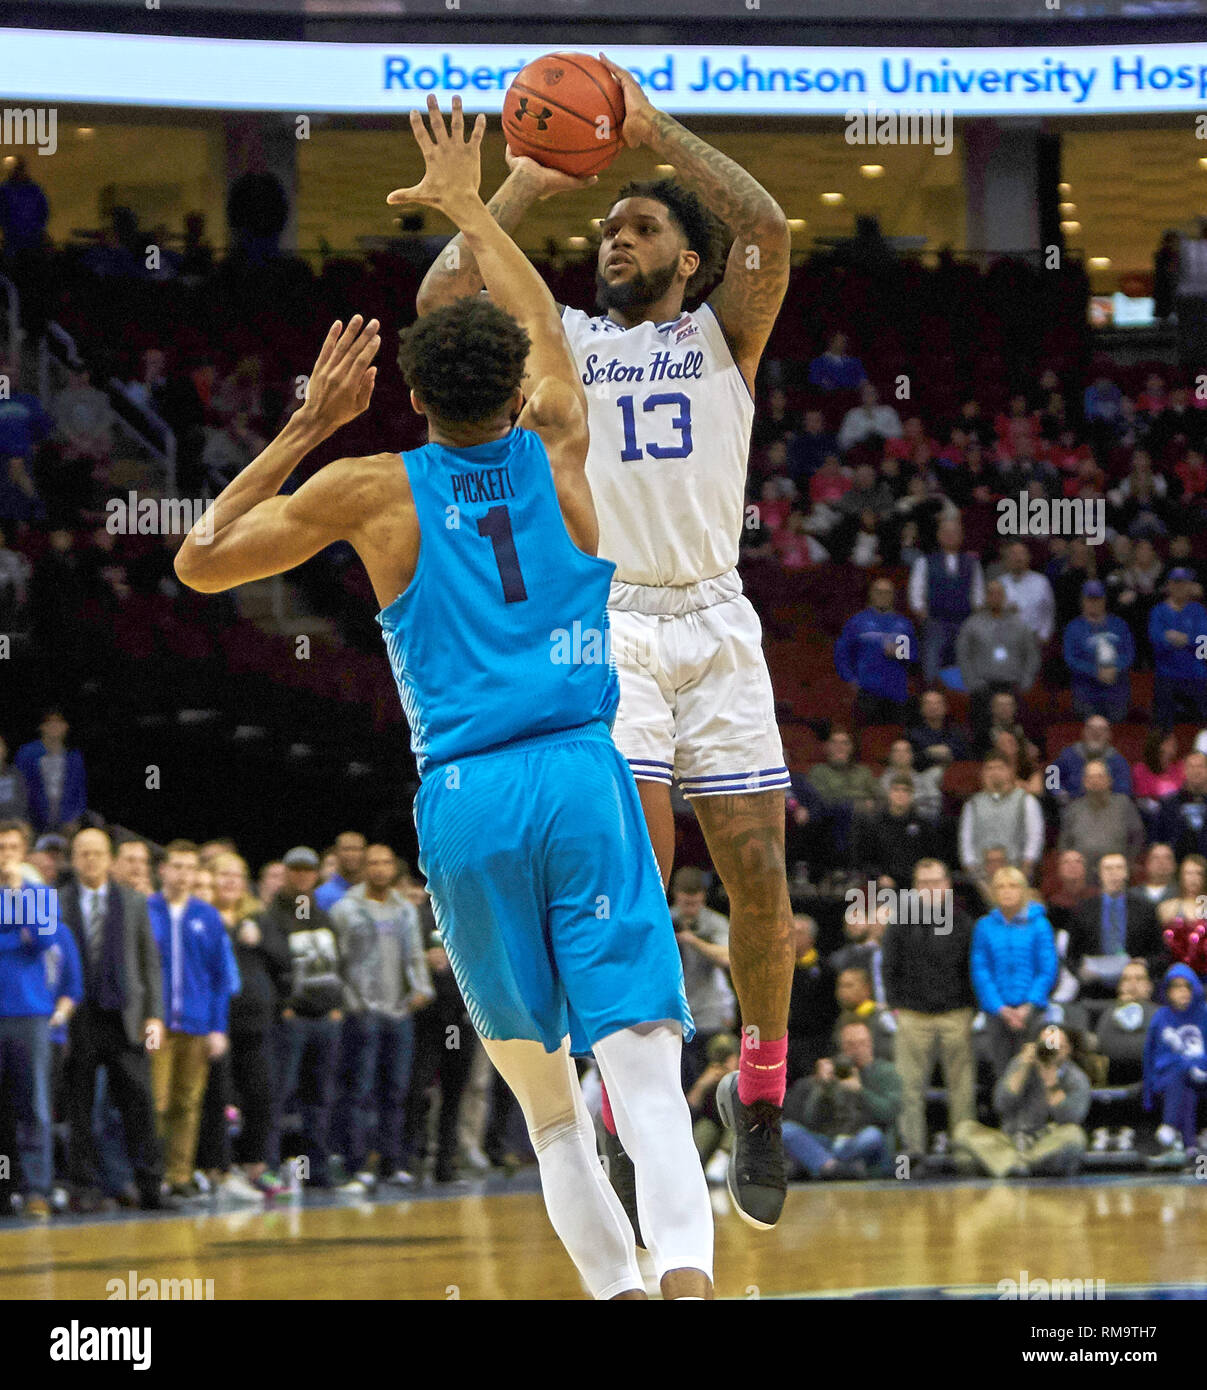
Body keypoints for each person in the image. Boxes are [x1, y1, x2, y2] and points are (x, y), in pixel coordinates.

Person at [175, 96, 713, 1298]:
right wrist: (476, 202)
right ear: (521, 387)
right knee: (639, 1061)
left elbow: (199, 559)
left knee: (552, 1110)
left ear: (412, 402)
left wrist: (306, 424)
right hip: (584, 767)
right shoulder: (563, 432)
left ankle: (620, 1292)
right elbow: (542, 328)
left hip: (467, 799)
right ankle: (683, 1279)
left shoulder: (370, 487)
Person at [414, 62, 797, 1233]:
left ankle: (762, 1092)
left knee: (762, 884)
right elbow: (440, 303)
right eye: (610, 225)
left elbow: (769, 229)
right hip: (610, 624)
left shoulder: (727, 332)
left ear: (688, 260)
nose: (615, 239)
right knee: (641, 875)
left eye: (640, 226)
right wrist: (524, 179)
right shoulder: (560, 340)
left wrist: (649, 132)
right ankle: (643, 1110)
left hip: (717, 617)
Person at [59, 828, 173, 1211]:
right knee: (81, 1108)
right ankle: (85, 1189)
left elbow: (150, 963)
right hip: (80, 1019)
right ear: (73, 859)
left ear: (110, 859)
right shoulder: (58, 902)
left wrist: (155, 1015)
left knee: (140, 1105)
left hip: (126, 1019)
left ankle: (151, 1187)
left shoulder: (133, 901)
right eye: (83, 853)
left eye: (97, 853)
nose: (90, 860)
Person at [328, 843, 435, 1191]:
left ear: (393, 868)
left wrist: (422, 988)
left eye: (385, 862)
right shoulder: (346, 909)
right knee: (359, 1090)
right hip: (362, 1011)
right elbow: (336, 961)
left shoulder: (404, 909)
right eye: (372, 863)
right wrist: (349, 1001)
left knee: (397, 1090)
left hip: (399, 1010)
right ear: (364, 868)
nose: (379, 868)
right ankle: (357, 1164)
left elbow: (415, 953)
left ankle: (393, 1163)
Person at [146, 840, 240, 1200]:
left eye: (190, 868)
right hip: (158, 1025)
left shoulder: (206, 916)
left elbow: (220, 978)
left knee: (188, 1102)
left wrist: (218, 1027)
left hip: (198, 1025)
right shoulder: (146, 910)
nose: (183, 875)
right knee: (156, 1101)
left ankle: (179, 1175)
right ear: (163, 870)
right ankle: (152, 1174)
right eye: (177, 867)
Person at [0, 844, 80, 1218]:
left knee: (34, 1104)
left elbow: (46, 940)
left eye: (11, 848)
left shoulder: (41, 896)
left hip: (29, 1012)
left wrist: (16, 897)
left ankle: (37, 1189)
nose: (4, 855)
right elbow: (26, 941)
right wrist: (19, 939)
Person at [882, 858, 976, 1160]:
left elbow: (971, 969)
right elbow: (889, 967)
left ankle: (964, 1151)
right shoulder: (900, 924)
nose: (930, 889)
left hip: (956, 1014)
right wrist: (897, 1005)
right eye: (923, 884)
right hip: (912, 1015)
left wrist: (971, 1009)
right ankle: (911, 1152)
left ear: (947, 886)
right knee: (908, 1088)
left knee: (962, 1088)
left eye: (936, 883)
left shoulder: (964, 923)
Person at [953, 1025, 1090, 1177]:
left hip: (1046, 1143)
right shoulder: (1020, 1064)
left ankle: (1015, 1165)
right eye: (1045, 1045)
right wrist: (1023, 1068)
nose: (1049, 1050)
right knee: (963, 1129)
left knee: (1075, 1136)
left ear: (1067, 1050)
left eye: (1056, 1045)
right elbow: (1000, 1105)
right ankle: (1018, 1165)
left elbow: (1072, 1118)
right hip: (1009, 1140)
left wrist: (1051, 1085)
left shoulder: (1076, 1078)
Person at [781, 1020, 902, 1179]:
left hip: (861, 1141)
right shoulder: (831, 1074)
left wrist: (861, 1091)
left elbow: (889, 1113)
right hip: (831, 1141)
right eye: (850, 1045)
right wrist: (822, 1088)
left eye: (862, 1044)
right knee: (786, 1130)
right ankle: (832, 1167)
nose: (857, 1050)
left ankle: (822, 1164)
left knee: (872, 1136)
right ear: (841, 1048)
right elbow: (811, 1120)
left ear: (871, 1044)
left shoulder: (885, 1072)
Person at [970, 867, 1060, 1080]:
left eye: (1013, 886)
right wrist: (1000, 1008)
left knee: (1035, 1072)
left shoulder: (1040, 925)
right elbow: (981, 970)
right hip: (997, 1013)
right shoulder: (984, 926)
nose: (1007, 891)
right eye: (1000, 887)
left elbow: (1047, 969)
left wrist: (1029, 1005)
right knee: (1003, 1075)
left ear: (1024, 890)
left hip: (1032, 1011)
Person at [668, 867, 734, 1086]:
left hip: (708, 1014)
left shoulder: (715, 923)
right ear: (676, 895)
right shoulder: (664, 919)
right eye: (686, 903)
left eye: (695, 903)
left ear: (703, 897)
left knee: (711, 1079)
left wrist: (692, 940)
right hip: (672, 1013)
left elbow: (727, 957)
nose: (691, 909)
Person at [1067, 853, 1162, 999]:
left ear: (1126, 873)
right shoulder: (1083, 909)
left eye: (1119, 868)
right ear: (1099, 874)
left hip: (1135, 990)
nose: (1114, 873)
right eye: (1108, 869)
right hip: (1094, 991)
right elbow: (1072, 956)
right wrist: (1081, 971)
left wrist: (1145, 963)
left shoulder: (1145, 909)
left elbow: (1161, 953)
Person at [956, 580, 1041, 741]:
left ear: (1005, 597)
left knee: (1018, 735)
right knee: (982, 736)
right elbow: (963, 655)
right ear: (986, 597)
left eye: (999, 594)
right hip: (983, 688)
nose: (995, 597)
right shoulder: (972, 624)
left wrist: (1026, 681)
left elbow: (1032, 654)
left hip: (1013, 687)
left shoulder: (1020, 624)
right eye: (991, 593)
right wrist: (972, 683)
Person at [1142, 964, 1207, 1164]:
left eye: (1187, 987)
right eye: (1176, 987)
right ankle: (1189, 1145)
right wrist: (1148, 1095)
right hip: (1168, 1079)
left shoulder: (1204, 1015)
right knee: (1182, 1083)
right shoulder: (1160, 1018)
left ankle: (1175, 1132)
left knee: (1187, 1085)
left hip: (1202, 1076)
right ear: (1167, 991)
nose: (1182, 992)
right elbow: (1153, 1057)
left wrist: (1199, 1066)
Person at [908, 516, 985, 684]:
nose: (950, 535)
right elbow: (916, 592)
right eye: (946, 532)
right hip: (936, 622)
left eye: (954, 532)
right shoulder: (924, 561)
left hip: (964, 622)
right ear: (938, 535)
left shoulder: (972, 563)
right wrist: (923, 615)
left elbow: (978, 593)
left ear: (961, 536)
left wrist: (974, 619)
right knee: (932, 668)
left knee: (964, 669)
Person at [958, 752, 1045, 886]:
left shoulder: (1026, 800)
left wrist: (1024, 872)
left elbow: (1035, 837)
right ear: (982, 773)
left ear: (1010, 772)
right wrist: (978, 880)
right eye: (989, 768)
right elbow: (966, 842)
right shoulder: (972, 804)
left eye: (1000, 768)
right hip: (981, 878)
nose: (994, 772)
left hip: (1017, 873)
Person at [1057, 758, 1145, 875]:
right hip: (1083, 876)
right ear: (1084, 782)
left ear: (1109, 780)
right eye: (1091, 777)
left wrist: (1128, 862)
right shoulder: (1073, 809)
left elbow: (1137, 836)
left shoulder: (1123, 804)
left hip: (1116, 873)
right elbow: (1064, 843)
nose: (1095, 781)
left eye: (1100, 776)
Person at [1063, 581, 1134, 721]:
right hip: (1086, 693)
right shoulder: (1073, 628)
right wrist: (1095, 671)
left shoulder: (1119, 625)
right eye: (1090, 599)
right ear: (1082, 601)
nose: (1094, 603)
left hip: (1116, 692)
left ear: (1104, 600)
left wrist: (1115, 668)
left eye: (1098, 599)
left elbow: (1129, 653)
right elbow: (1071, 659)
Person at [1149, 567, 1207, 727]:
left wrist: (1182, 639)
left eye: (1183, 583)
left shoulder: (1198, 611)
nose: (1179, 587)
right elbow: (1156, 642)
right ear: (1169, 586)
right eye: (1176, 583)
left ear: (1189, 586)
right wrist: (1188, 641)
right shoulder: (1158, 611)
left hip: (1196, 677)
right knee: (1162, 722)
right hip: (1167, 676)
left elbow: (1204, 646)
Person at [14, 710, 87, 836]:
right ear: (41, 726)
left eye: (58, 722)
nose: (54, 726)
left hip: (66, 821)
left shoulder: (74, 756)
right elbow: (19, 788)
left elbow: (80, 791)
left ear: (66, 726)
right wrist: (22, 819)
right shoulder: (27, 753)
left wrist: (74, 819)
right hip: (33, 820)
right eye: (49, 722)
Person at [1051, 715, 1134, 804]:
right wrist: (1058, 792)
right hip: (1071, 807)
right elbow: (1051, 776)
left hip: (1106, 811)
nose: (1096, 733)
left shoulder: (1118, 761)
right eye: (1091, 728)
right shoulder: (1068, 755)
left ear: (1109, 735)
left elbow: (1124, 791)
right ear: (1083, 732)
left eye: (1102, 729)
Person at [1155, 750, 1207, 859]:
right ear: (1184, 770)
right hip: (1178, 867)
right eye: (1191, 766)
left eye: (1200, 766)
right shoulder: (1169, 804)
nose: (1196, 771)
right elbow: (1158, 839)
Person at [314, 830, 366, 912]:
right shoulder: (321, 895)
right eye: (346, 849)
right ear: (336, 852)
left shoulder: (373, 892)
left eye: (356, 849)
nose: (352, 854)